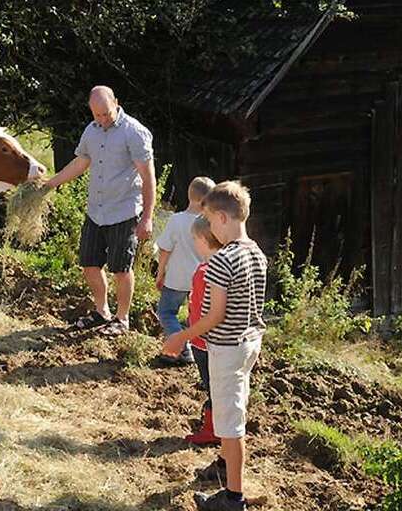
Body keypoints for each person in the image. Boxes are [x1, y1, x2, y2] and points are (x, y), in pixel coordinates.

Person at [163, 181, 267, 511]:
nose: (207, 227)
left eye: (208, 219)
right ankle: (224, 468)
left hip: (226, 348)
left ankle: (233, 499)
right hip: (249, 342)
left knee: (231, 425)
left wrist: (181, 335)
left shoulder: (223, 261)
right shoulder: (256, 253)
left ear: (221, 218)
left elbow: (215, 315)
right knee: (230, 411)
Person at [45, 85, 156, 335]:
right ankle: (102, 311)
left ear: (116, 102)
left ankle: (122, 319)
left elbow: (148, 177)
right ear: (91, 112)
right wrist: (52, 183)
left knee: (121, 268)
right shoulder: (91, 131)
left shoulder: (134, 132)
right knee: (89, 265)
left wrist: (147, 217)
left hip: (124, 211)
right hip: (96, 211)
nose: (103, 119)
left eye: (106, 113)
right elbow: (82, 162)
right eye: (98, 115)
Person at [155, 177, 215, 365]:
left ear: (189, 195)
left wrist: (160, 273)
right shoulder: (209, 225)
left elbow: (165, 249)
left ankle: (182, 347)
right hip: (202, 279)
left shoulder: (177, 220)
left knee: (166, 312)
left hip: (177, 277)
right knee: (196, 315)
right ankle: (195, 347)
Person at [184, 215, 223, 446]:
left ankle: (212, 430)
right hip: (215, 341)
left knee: (213, 387)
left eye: (194, 239)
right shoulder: (221, 267)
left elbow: (201, 309)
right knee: (216, 386)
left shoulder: (205, 272)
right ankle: (216, 426)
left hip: (202, 342)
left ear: (202, 239)